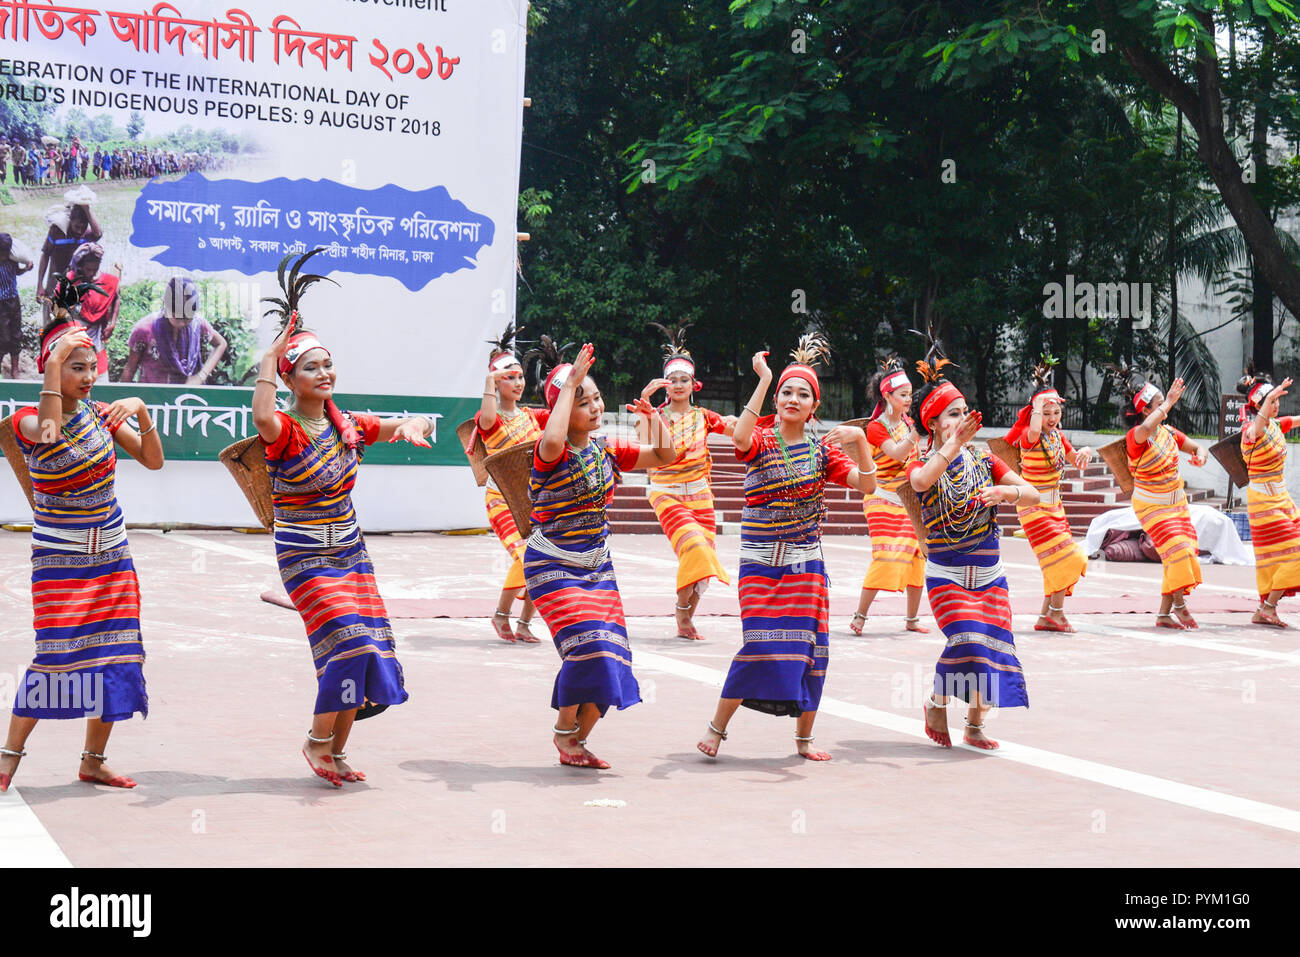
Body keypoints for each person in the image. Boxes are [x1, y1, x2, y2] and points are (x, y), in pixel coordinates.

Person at [252, 259, 431, 787]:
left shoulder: (347, 425)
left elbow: (401, 422)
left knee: (369, 648)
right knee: (349, 640)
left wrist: (414, 426)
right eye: (311, 367)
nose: (325, 373)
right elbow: (262, 415)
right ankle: (315, 739)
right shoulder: (284, 429)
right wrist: (268, 355)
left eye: (329, 364)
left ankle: (334, 750)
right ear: (288, 377)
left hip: (351, 552)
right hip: (304, 556)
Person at [0, 318, 164, 793]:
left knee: (114, 656)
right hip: (60, 561)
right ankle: (9, 756)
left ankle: (93, 760)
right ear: (50, 368)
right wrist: (52, 366)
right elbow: (49, 435)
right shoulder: (26, 421)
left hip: (111, 556)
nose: (88, 376)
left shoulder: (99, 415)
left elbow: (153, 461)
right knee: (55, 656)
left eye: (92, 366)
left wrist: (141, 410)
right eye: (76, 367)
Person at [697, 336, 876, 762]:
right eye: (786, 392)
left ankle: (803, 740)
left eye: (803, 394)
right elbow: (739, 436)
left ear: (814, 406)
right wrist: (764, 379)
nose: (793, 398)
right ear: (776, 401)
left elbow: (868, 485)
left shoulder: (823, 452)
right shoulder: (760, 439)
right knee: (759, 644)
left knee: (811, 649)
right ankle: (716, 728)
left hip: (805, 567)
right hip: (759, 563)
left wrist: (861, 441)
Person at [526, 341, 676, 770]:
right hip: (552, 564)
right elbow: (554, 437)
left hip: (597, 567)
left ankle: (577, 740)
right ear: (561, 408)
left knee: (613, 657)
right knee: (589, 645)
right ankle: (562, 730)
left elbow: (665, 455)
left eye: (594, 397)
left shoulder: (606, 448)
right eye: (580, 400)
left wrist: (654, 418)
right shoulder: (548, 452)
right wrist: (569, 381)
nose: (593, 406)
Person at [909, 348, 1037, 751]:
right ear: (932, 422)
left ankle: (975, 724)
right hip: (947, 577)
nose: (961, 420)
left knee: (993, 652)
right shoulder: (921, 460)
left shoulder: (985, 459)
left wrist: (1007, 491)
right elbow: (921, 483)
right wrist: (952, 444)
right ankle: (935, 701)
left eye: (964, 411)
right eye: (951, 414)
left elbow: (1033, 494)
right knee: (967, 640)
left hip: (989, 577)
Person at [637, 321, 736, 640]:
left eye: (684, 379)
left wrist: (739, 420)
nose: (678, 384)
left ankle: (687, 617)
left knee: (703, 566)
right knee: (694, 546)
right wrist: (645, 402)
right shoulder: (656, 415)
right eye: (672, 380)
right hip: (666, 494)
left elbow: (737, 431)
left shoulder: (705, 417)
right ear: (664, 385)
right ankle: (681, 612)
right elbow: (642, 442)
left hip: (700, 496)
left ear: (695, 384)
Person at [1003, 356, 1092, 632]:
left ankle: (1046, 617)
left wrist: (1085, 453)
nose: (1052, 419)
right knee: (1071, 558)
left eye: (1056, 413)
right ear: (1035, 414)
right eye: (1046, 413)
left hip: (1056, 508)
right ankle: (1055, 613)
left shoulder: (1057, 437)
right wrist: (1038, 406)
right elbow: (1033, 427)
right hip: (1033, 508)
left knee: (1057, 563)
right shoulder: (1028, 437)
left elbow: (1074, 459)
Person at [473, 322, 546, 643]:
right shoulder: (489, 420)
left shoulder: (532, 416)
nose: (518, 382)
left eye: (519, 376)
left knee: (542, 558)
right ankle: (501, 615)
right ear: (495, 383)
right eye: (509, 377)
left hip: (532, 500)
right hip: (501, 500)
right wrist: (490, 378)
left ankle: (525, 623)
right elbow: (487, 419)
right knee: (527, 556)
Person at [1118, 372, 1206, 629]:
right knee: (1179, 549)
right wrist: (1169, 401)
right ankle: (1179, 604)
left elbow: (1197, 447)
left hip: (1176, 503)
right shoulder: (1136, 436)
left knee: (1177, 553)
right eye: (1158, 406)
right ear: (1146, 411)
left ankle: (1164, 614)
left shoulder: (1168, 433)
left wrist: (1200, 456)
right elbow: (1146, 429)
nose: (1165, 411)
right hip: (1151, 506)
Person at [850, 357, 929, 635]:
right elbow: (896, 453)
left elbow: (913, 456)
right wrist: (916, 434)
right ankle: (860, 616)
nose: (909, 399)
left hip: (908, 502)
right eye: (903, 395)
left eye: (910, 394)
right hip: (881, 497)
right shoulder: (875, 427)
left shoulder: (907, 422)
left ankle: (911, 619)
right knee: (886, 555)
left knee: (916, 558)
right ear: (887, 395)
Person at [1238, 370, 1300, 627]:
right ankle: (1268, 607)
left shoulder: (1275, 426)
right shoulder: (1250, 432)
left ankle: (1265, 609)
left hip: (1282, 499)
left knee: (1286, 555)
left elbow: (1296, 420)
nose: (1276, 405)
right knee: (1294, 553)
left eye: (1276, 401)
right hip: (1264, 502)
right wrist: (1269, 396)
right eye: (1271, 401)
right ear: (1260, 405)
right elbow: (1258, 426)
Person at [120, 276, 228, 384]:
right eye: (177, 317)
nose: (182, 323)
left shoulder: (197, 324)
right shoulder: (144, 329)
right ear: (165, 305)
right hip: (152, 397)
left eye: (187, 318)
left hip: (186, 396)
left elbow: (220, 344)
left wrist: (201, 376)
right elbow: (130, 369)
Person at [36, 203, 102, 325]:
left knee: (74, 311)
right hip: (56, 274)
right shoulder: (57, 231)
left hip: (76, 277)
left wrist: (87, 210)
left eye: (83, 227)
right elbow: (45, 255)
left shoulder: (87, 234)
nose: (79, 230)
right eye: (76, 226)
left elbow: (98, 234)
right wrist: (40, 285)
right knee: (51, 309)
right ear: (70, 221)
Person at [65, 243, 119, 382]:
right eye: (88, 269)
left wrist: (112, 323)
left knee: (100, 377)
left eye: (95, 269)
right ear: (80, 266)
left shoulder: (108, 281)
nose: (92, 273)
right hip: (75, 336)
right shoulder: (71, 280)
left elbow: (116, 297)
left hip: (96, 337)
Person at [0, 233, 34, 379]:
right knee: (3, 337)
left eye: (6, 253)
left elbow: (17, 272)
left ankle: (15, 370)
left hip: (13, 300)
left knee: (16, 335)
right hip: (0, 304)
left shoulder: (12, 260)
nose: (4, 256)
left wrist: (26, 269)